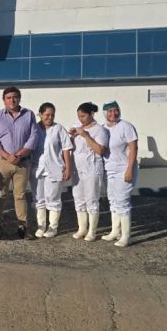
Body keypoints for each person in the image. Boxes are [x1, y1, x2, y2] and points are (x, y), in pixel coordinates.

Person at [0, 86, 38, 240]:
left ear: (19, 98)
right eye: (8, 97)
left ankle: (23, 227)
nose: (12, 100)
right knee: (1, 194)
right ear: (4, 100)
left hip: (22, 163)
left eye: (15, 97)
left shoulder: (28, 115)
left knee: (20, 195)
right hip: (2, 162)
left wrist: (19, 154)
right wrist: (7, 156)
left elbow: (33, 137)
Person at [30, 103, 73, 238]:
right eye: (47, 115)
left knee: (53, 198)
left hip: (54, 168)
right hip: (37, 168)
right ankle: (41, 226)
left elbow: (66, 149)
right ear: (40, 114)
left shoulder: (58, 129)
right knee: (38, 198)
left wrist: (68, 168)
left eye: (52, 115)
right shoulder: (34, 129)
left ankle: (52, 227)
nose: (49, 117)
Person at [68, 102, 108, 241]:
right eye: (79, 116)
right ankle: (82, 228)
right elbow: (69, 147)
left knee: (91, 199)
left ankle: (92, 231)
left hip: (92, 168)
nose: (81, 119)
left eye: (83, 116)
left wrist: (85, 136)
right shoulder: (78, 128)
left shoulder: (100, 130)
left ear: (92, 114)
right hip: (77, 168)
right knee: (78, 198)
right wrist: (71, 136)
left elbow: (100, 150)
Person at [101, 101, 138, 247]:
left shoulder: (126, 126)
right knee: (113, 200)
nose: (113, 114)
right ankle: (115, 231)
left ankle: (126, 236)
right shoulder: (103, 129)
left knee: (122, 202)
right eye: (109, 111)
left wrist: (129, 169)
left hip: (124, 169)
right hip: (109, 169)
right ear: (105, 113)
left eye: (115, 110)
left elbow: (133, 148)